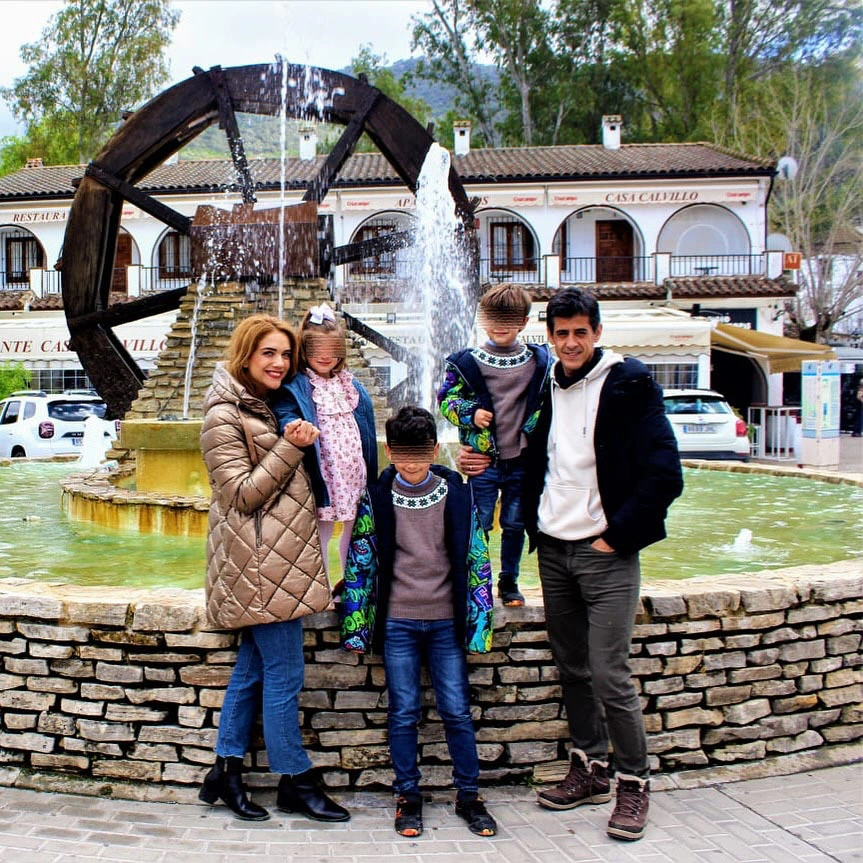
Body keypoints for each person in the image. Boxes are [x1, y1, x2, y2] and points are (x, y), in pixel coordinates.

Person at [521, 288, 683, 842]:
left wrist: (617, 538)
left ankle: (632, 783)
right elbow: (532, 456)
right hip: (554, 548)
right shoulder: (546, 383)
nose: (570, 342)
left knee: (610, 674)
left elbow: (665, 474)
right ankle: (588, 768)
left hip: (604, 552)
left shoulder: (628, 384)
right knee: (573, 669)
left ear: (596, 332)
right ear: (550, 334)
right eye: (560, 332)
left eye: (579, 332)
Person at [198, 313, 350, 823]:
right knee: (285, 673)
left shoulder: (259, 405)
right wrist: (292, 446)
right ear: (245, 354)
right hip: (261, 568)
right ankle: (296, 779)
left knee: (251, 671)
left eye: (286, 354)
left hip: (270, 563)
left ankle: (224, 772)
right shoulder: (223, 415)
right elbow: (240, 494)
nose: (280, 363)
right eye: (269, 353)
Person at [340, 406, 497, 839]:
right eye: (403, 456)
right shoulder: (375, 496)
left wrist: (480, 625)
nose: (411, 465)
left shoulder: (458, 494)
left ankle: (470, 796)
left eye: (421, 455)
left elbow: (478, 559)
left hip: (446, 622)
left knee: (456, 712)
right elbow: (361, 562)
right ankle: (407, 797)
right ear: (389, 451)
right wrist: (357, 627)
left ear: (435, 449)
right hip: (398, 624)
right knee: (403, 711)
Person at [437, 283, 552, 607]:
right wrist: (470, 414)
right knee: (481, 521)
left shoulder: (539, 362)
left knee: (515, 523)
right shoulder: (466, 361)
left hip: (521, 460)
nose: (500, 324)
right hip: (483, 461)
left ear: (524, 322)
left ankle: (509, 581)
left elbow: (547, 405)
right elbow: (445, 399)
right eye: (493, 317)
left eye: (509, 318)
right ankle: (478, 579)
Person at [273, 303, 377, 578]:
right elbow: (285, 411)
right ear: (304, 350)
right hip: (325, 473)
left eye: (332, 352)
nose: (325, 357)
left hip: (353, 474)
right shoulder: (299, 385)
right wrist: (290, 427)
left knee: (356, 532)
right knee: (323, 531)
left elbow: (366, 429)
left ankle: (351, 584)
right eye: (317, 351)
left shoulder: (351, 385)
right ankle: (321, 586)